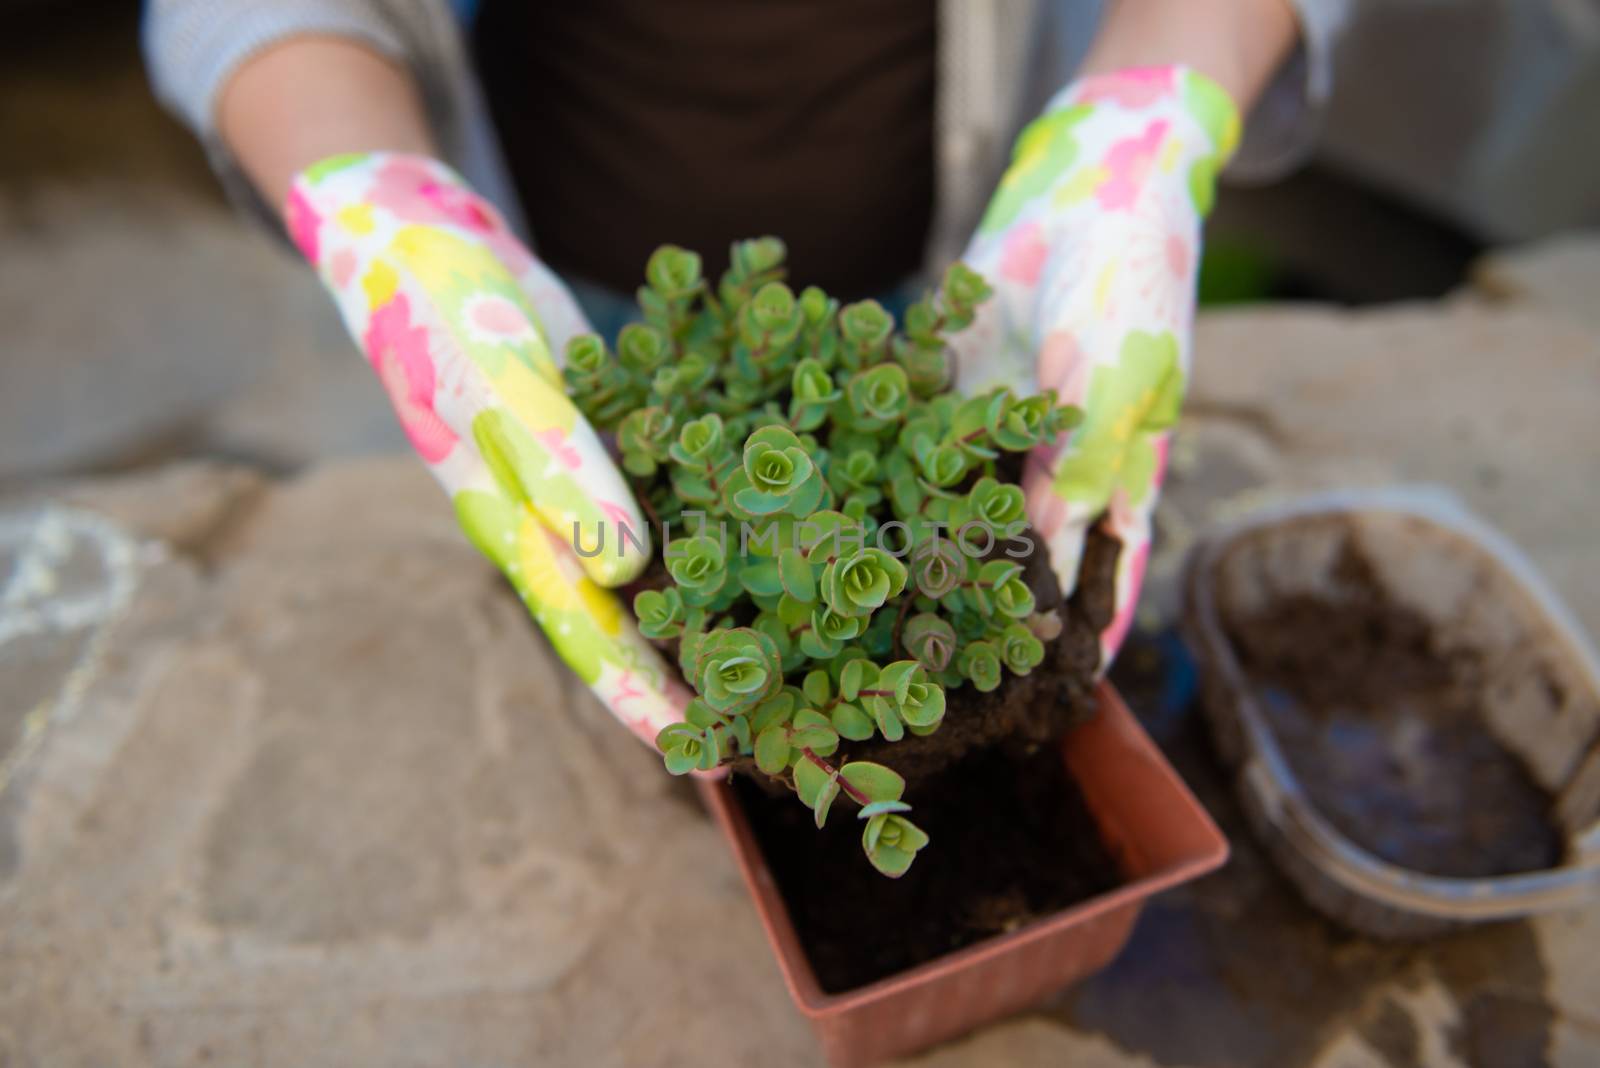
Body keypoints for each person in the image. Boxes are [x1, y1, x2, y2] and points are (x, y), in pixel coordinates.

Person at [140, 0, 1319, 741]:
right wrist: (373, 200)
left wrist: (1151, 103)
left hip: (976, 235)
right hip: (555, 266)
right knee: (589, 526)